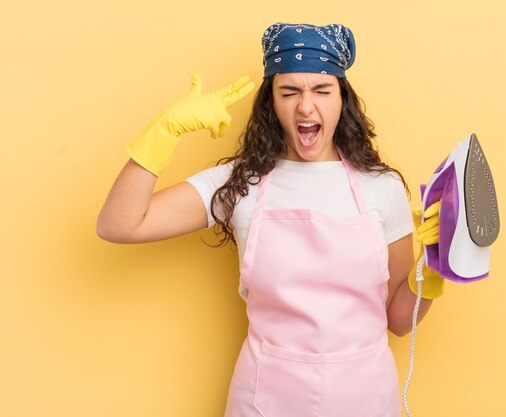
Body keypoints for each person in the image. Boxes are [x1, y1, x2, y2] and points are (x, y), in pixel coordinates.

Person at [97, 22, 444, 417]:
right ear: (271, 102)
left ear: (342, 99)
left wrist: (431, 269)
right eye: (289, 92)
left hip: (365, 397)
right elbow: (119, 224)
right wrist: (166, 130)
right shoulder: (238, 182)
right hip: (265, 399)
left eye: (322, 90)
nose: (306, 106)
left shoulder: (381, 187)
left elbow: (398, 321)